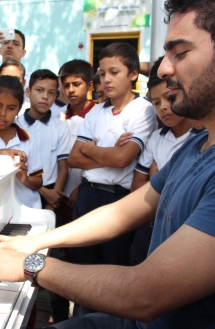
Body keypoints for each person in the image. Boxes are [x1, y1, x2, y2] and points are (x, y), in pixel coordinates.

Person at [0, 1, 215, 329]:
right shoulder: (196, 147)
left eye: (180, 53)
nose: (163, 70)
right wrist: (37, 241)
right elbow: (120, 213)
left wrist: (30, 264)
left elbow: (144, 294)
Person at [67, 43, 157, 285]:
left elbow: (122, 159)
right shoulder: (95, 112)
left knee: (112, 275)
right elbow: (74, 159)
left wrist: (89, 148)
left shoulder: (144, 111)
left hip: (118, 200)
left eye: (114, 72)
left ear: (134, 74)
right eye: (103, 73)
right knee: (81, 271)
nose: (106, 79)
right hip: (87, 196)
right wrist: (107, 155)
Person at [127, 56, 203, 266]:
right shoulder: (156, 138)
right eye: (156, 102)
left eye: (169, 98)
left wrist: (157, 177)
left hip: (184, 233)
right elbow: (136, 187)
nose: (163, 107)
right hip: (149, 227)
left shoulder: (203, 139)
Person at [16, 69, 70, 322]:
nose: (45, 97)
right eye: (39, 90)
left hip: (52, 200)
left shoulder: (60, 126)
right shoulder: (14, 123)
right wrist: (44, 193)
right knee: (24, 254)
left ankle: (59, 318)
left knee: (55, 259)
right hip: (22, 195)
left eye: (51, 93)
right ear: (28, 91)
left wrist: (55, 194)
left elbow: (63, 165)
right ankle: (22, 313)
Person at [0, 75, 43, 209]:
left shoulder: (26, 139)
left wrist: (25, 178)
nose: (3, 113)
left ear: (18, 109)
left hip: (26, 210)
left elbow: (38, 181)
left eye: (11, 108)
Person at [57, 59, 95, 231]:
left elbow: (100, 158)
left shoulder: (98, 115)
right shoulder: (58, 116)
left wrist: (80, 189)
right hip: (59, 192)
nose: (70, 90)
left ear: (90, 85)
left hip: (85, 191)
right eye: (66, 85)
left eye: (76, 84)